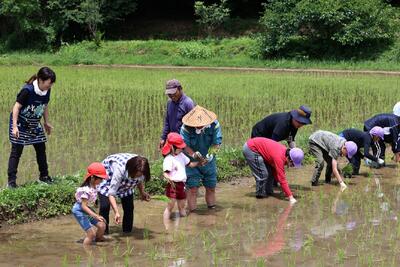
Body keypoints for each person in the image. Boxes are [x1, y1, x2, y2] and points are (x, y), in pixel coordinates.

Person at [7, 67, 56, 188]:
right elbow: (16, 107)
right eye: (49, 83)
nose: (50, 86)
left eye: (51, 84)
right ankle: (11, 182)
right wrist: (14, 127)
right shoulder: (27, 90)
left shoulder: (47, 91)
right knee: (16, 152)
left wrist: (46, 122)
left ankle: (44, 176)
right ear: (40, 80)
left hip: (34, 123)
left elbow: (44, 106)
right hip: (20, 123)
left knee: (41, 148)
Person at [180, 105, 222, 212]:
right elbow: (184, 145)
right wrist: (194, 155)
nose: (198, 126)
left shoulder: (214, 125)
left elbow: (217, 143)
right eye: (196, 125)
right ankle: (193, 213)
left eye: (201, 125)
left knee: (211, 187)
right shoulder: (185, 128)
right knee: (192, 189)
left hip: (209, 162)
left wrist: (210, 155)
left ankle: (211, 210)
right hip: (192, 162)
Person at [98, 153, 151, 234]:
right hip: (108, 176)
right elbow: (111, 194)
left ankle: (127, 233)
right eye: (137, 175)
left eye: (140, 175)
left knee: (129, 207)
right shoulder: (120, 169)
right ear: (132, 171)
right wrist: (116, 212)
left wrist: (142, 192)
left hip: (128, 175)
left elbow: (138, 180)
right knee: (105, 207)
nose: (138, 177)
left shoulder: (142, 168)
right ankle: (103, 233)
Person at [242, 137, 304, 203]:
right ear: (289, 158)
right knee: (263, 174)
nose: (292, 166)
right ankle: (260, 197)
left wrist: (285, 190)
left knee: (270, 172)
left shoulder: (284, 154)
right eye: (293, 164)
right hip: (251, 149)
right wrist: (290, 197)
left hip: (258, 148)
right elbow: (281, 179)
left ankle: (268, 192)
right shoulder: (279, 158)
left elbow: (275, 172)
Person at [161, 132, 200, 223]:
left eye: (182, 147)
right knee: (170, 206)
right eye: (179, 147)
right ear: (172, 147)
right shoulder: (169, 159)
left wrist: (199, 163)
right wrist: (169, 179)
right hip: (173, 186)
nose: (182, 149)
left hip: (182, 185)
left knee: (182, 206)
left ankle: (184, 224)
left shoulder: (181, 156)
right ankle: (166, 226)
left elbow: (190, 164)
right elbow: (165, 173)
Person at [72, 162, 107, 246]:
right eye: (100, 178)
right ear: (92, 177)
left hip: (86, 209)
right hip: (80, 210)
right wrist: (96, 215)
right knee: (91, 234)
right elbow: (83, 206)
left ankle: (98, 240)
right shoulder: (86, 190)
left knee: (102, 225)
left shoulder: (95, 185)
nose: (102, 180)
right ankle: (87, 252)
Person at [160, 79, 195, 150]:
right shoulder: (169, 102)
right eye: (169, 94)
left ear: (180, 89)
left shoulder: (188, 103)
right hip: (172, 141)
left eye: (174, 93)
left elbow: (193, 126)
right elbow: (167, 121)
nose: (172, 96)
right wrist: (163, 138)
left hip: (184, 142)